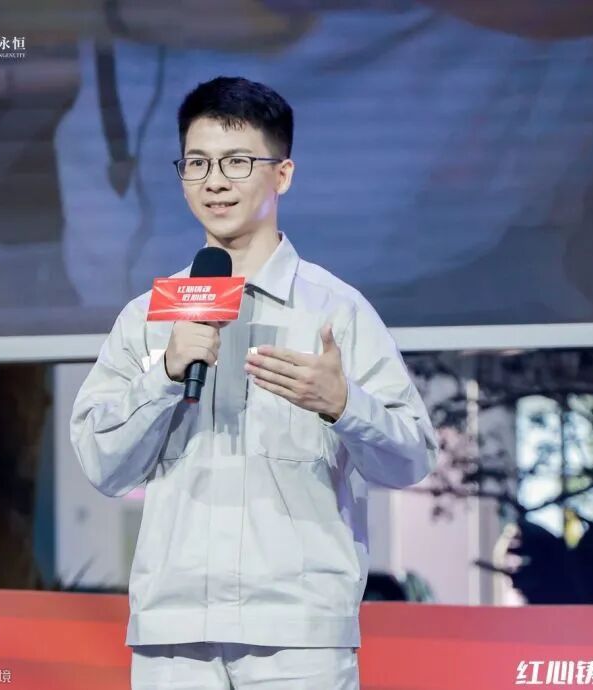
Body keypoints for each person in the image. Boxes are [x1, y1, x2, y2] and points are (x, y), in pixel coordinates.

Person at [70, 76, 437, 690]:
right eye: (197, 163)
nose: (215, 181)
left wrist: (345, 405)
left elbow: (412, 458)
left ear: (282, 174)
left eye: (237, 162)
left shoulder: (336, 311)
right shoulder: (148, 317)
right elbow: (102, 466)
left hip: (299, 634)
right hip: (172, 632)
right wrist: (165, 374)